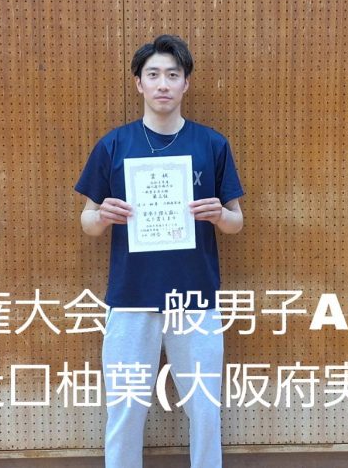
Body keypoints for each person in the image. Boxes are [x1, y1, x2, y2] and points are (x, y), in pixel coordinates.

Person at [74, 34, 244, 468]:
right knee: (125, 408)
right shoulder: (114, 145)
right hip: (131, 298)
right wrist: (103, 215)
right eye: (153, 75)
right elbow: (87, 221)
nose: (163, 84)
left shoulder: (212, 144)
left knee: (204, 408)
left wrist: (219, 215)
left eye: (173, 74)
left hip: (194, 299)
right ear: (139, 83)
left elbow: (236, 221)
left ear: (186, 83)